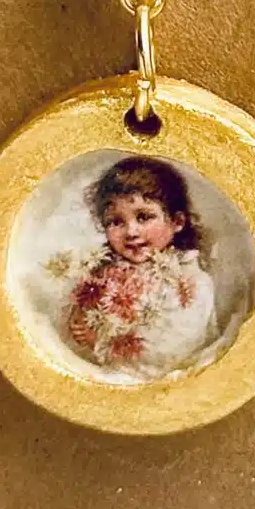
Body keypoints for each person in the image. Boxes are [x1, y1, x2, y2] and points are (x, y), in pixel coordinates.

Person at [65, 158, 217, 376]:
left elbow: (170, 354)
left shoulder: (191, 283)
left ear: (177, 222)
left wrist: (100, 342)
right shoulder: (105, 274)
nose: (131, 232)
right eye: (116, 221)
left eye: (144, 217)